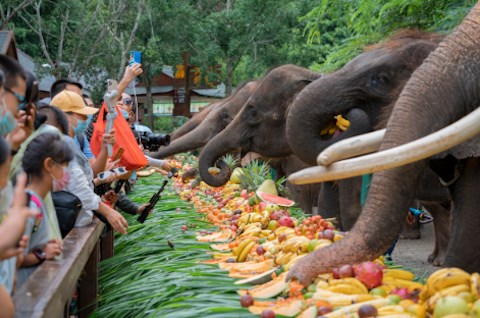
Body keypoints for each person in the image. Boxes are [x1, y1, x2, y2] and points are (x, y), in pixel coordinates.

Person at [50, 91, 128, 234]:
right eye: (82, 114)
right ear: (65, 116)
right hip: (71, 224)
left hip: (78, 219)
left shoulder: (73, 140)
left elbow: (85, 178)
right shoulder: (62, 142)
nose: (87, 118)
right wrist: (108, 211)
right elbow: (78, 186)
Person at [16, 133, 71, 288]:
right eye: (65, 165)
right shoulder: (30, 206)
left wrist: (42, 244)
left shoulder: (38, 201)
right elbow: (14, 258)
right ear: (48, 165)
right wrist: (42, 253)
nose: (67, 173)